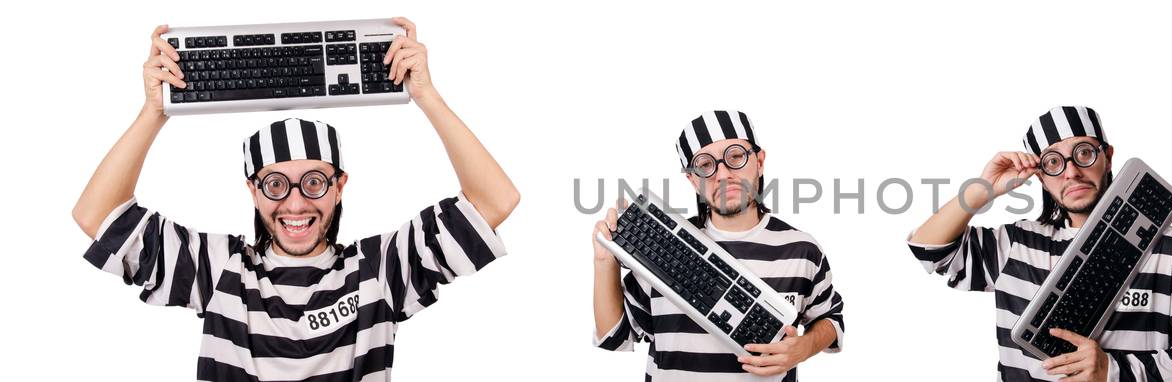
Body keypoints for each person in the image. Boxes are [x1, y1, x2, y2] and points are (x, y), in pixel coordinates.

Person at [71, 18, 520, 381]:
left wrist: (427, 96)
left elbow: (496, 200)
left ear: (340, 185)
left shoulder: (378, 270)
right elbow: (96, 215)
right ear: (253, 191)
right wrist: (154, 110)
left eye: (313, 183)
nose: (295, 204)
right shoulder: (222, 269)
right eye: (275, 185)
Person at [906, 106, 1172, 381]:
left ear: (1107, 156)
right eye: (1053, 162)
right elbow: (927, 249)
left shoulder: (1168, 247)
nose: (1071, 172)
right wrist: (982, 189)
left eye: (1084, 153)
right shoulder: (1016, 244)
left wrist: (1113, 371)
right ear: (1040, 176)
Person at [591, 111, 846, 381]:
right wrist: (604, 262)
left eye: (735, 156)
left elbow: (832, 320)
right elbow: (614, 338)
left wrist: (805, 347)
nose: (722, 174)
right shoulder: (664, 245)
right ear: (692, 180)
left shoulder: (802, 249)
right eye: (704, 165)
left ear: (759, 162)